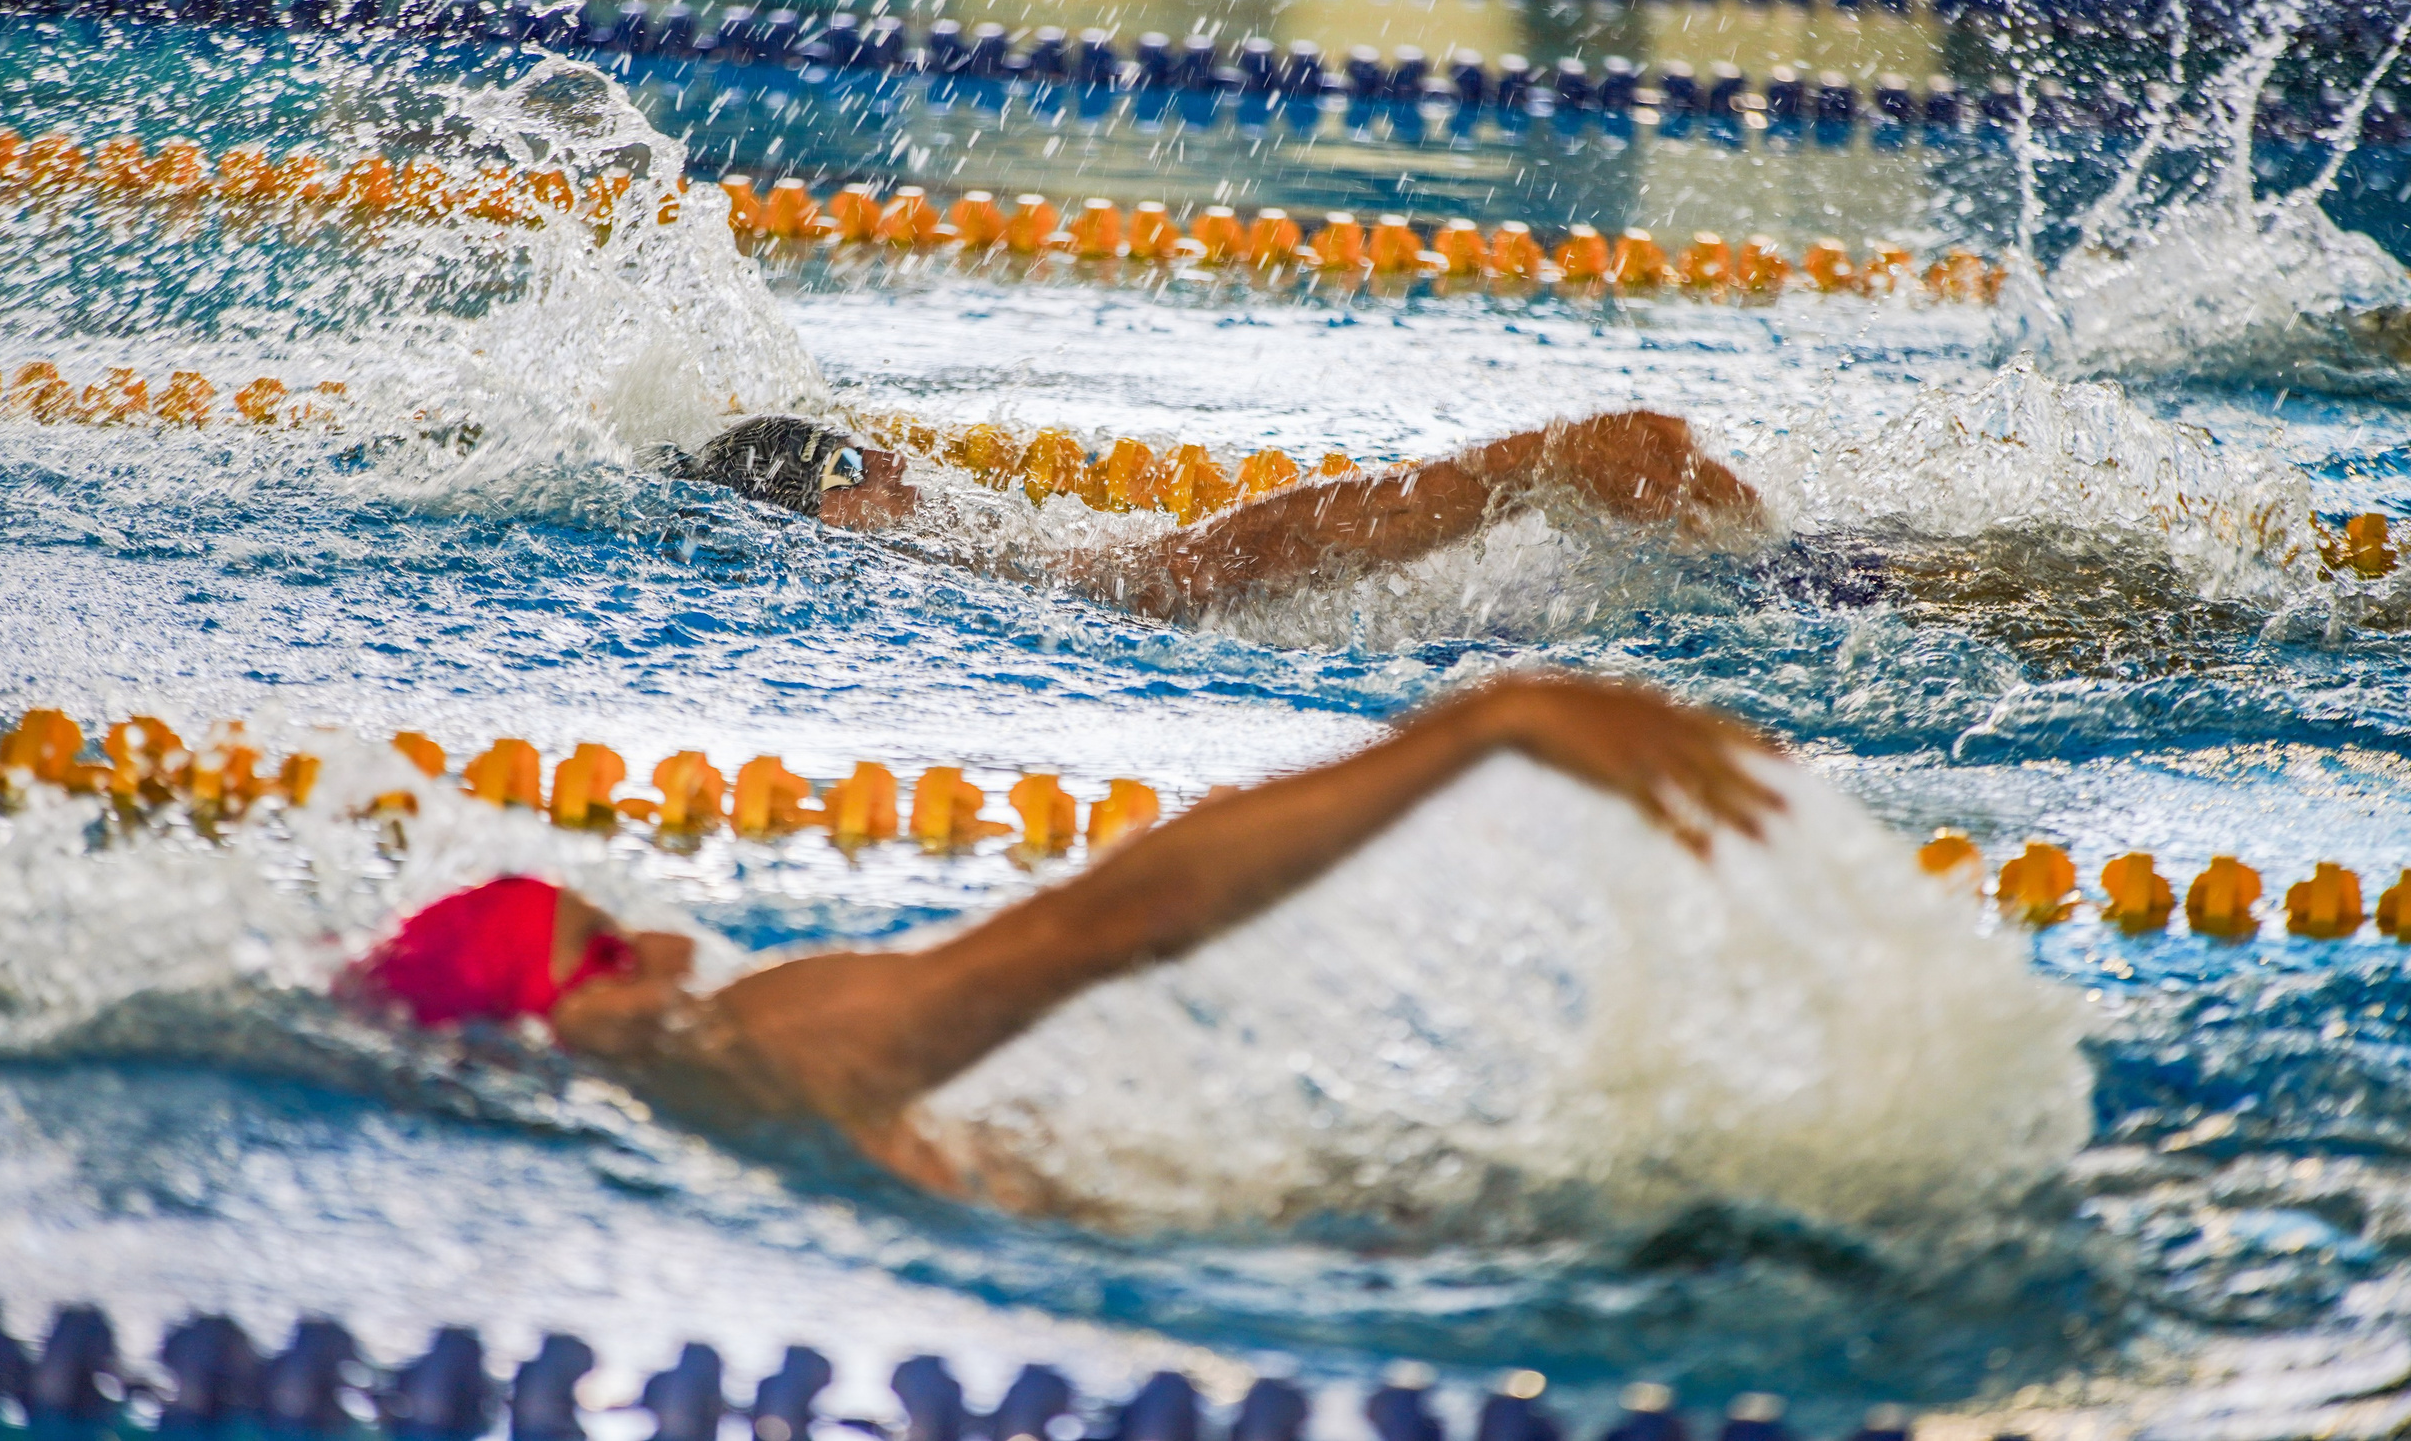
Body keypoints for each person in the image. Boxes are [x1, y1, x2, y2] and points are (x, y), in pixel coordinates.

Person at [338, 669, 1780, 1209]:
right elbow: (1118, 922)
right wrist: (1484, 726)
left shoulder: (686, 1121)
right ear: (544, 1040)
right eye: (600, 952)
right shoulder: (769, 1045)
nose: (659, 943)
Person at [655, 410, 1760, 622]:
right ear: (826, 519)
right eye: (854, 460)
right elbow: (1192, 570)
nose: (896, 459)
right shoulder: (946, 577)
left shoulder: (949, 562)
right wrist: (1516, 469)